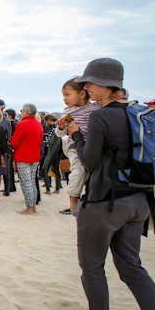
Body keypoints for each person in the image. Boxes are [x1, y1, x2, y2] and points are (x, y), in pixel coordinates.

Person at [64, 58, 155, 310]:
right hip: (139, 201)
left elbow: (90, 162)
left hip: (105, 202)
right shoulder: (138, 112)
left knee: (92, 266)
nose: (88, 88)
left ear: (106, 85)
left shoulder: (101, 116)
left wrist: (76, 135)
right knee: (132, 267)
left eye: (91, 83)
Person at [55, 78, 101, 216]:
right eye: (63, 96)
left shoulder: (95, 107)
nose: (65, 99)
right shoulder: (69, 112)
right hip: (74, 146)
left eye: (68, 95)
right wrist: (61, 127)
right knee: (78, 170)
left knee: (91, 173)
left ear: (82, 94)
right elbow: (59, 134)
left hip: (91, 145)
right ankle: (73, 200)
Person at [10, 103, 44, 215]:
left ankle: (29, 208)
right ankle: (33, 207)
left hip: (23, 157)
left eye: (21, 111)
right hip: (35, 156)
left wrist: (11, 140)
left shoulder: (22, 124)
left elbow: (14, 142)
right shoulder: (38, 124)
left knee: (26, 183)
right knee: (32, 182)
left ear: (26, 112)